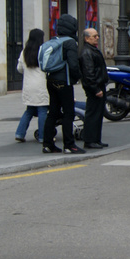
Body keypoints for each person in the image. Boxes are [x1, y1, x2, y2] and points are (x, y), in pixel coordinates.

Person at [42, 14, 85, 154]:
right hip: (64, 80)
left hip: (50, 79)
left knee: (53, 112)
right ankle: (69, 145)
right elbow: (73, 64)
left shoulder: (54, 40)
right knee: (68, 113)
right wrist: (77, 77)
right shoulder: (70, 42)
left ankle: (48, 144)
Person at [14, 29, 49, 143]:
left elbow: (19, 68)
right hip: (41, 85)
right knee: (42, 110)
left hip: (28, 86)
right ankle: (43, 136)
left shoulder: (24, 52)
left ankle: (20, 133)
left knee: (29, 110)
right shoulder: (43, 51)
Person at [79, 28, 109, 149]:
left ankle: (96, 139)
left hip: (98, 84)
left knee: (98, 113)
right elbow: (88, 73)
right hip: (94, 87)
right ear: (87, 38)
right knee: (93, 114)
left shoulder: (92, 50)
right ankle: (90, 140)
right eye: (94, 36)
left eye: (97, 36)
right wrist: (95, 89)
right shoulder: (87, 52)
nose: (97, 38)